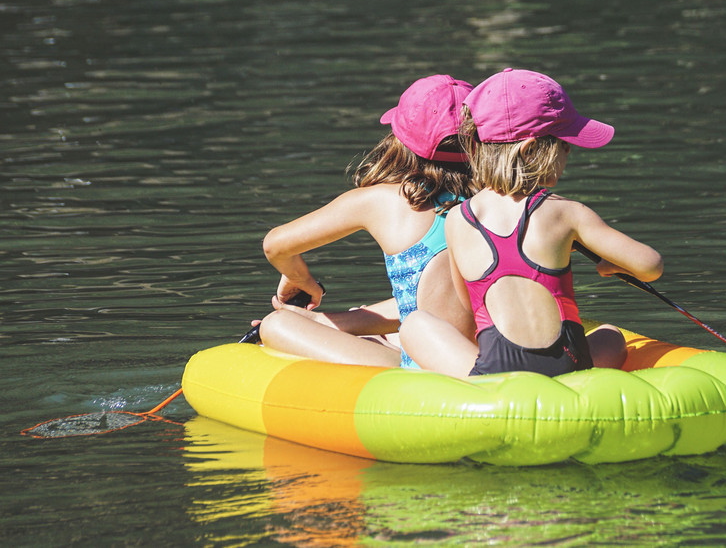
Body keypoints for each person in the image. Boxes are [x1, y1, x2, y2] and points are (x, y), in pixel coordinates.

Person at [400, 68, 663, 378]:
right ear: (530, 149)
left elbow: (469, 305)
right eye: (565, 145)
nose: (568, 154)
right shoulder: (567, 212)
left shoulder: (458, 218)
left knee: (415, 326)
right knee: (612, 335)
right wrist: (609, 265)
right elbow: (650, 265)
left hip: (495, 374)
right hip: (569, 368)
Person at [255, 74, 478, 367]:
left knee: (274, 325)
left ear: (399, 140)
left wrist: (300, 279)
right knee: (370, 318)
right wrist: (322, 320)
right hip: (476, 355)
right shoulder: (495, 200)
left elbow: (275, 246)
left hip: (425, 369)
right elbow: (446, 304)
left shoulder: (380, 200)